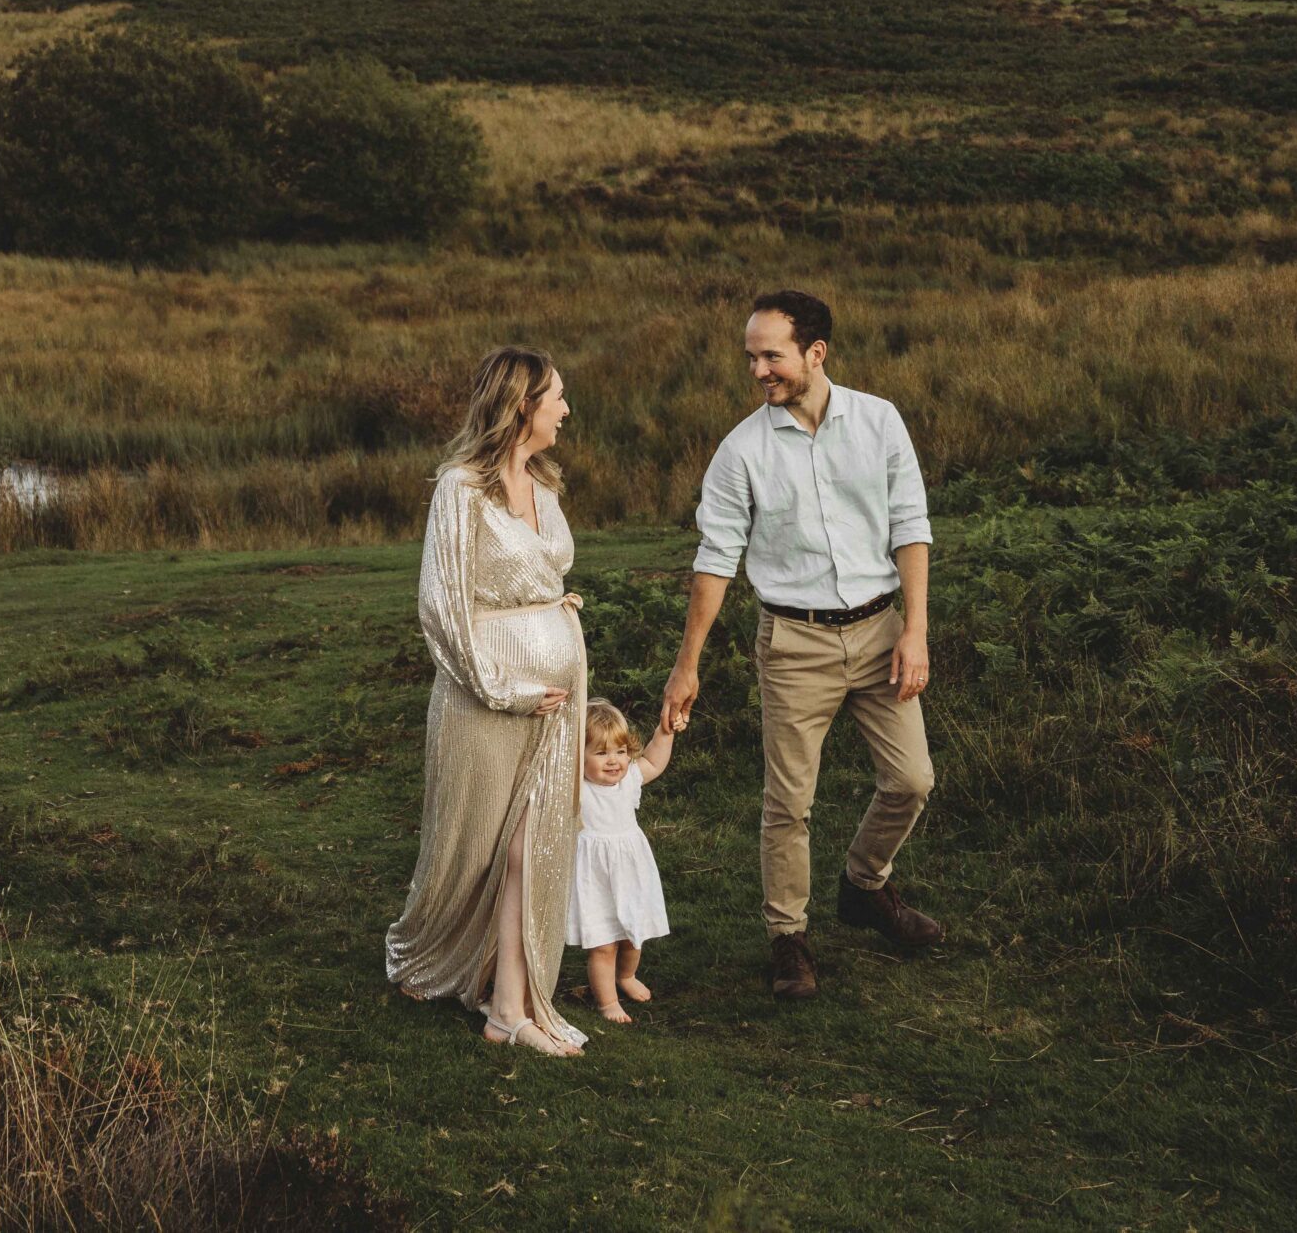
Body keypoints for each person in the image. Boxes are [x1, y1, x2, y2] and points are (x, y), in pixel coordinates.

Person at [660, 289, 943, 1003]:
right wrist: (686, 664)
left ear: (816, 352)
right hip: (793, 641)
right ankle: (788, 938)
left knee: (913, 780)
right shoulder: (741, 451)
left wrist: (915, 628)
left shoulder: (878, 422)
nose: (759, 368)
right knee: (789, 801)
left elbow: (911, 522)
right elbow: (715, 559)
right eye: (752, 355)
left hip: (881, 631)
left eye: (772, 354)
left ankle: (863, 885)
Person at [385, 346, 590, 1058]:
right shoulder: (460, 490)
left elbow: (540, 580)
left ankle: (510, 1005)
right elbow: (441, 606)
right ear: (522, 404)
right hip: (488, 698)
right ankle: (425, 951)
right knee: (467, 844)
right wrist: (506, 688)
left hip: (559, 700)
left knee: (533, 842)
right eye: (557, 397)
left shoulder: (546, 485)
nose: (566, 409)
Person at [567, 698, 676, 1024]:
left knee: (633, 934)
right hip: (595, 878)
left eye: (620, 751)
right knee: (603, 944)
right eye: (600, 753)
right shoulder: (577, 790)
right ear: (578, 758)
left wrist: (665, 731)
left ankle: (626, 976)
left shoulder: (628, 781)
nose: (613, 761)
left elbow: (654, 763)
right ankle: (607, 1002)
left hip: (630, 872)